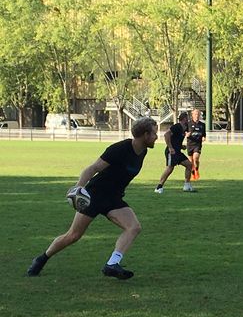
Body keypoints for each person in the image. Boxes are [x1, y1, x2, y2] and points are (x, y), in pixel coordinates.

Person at [27, 117, 159, 279]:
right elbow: (92, 168)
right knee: (73, 236)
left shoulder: (142, 151)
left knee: (134, 227)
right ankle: (42, 259)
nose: (156, 137)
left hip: (114, 199)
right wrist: (78, 188)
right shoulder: (119, 149)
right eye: (154, 133)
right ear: (145, 135)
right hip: (94, 196)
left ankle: (112, 264)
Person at [154, 112, 195, 193]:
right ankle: (159, 187)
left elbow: (175, 139)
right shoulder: (177, 126)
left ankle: (187, 185)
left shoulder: (184, 128)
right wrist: (170, 147)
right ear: (184, 119)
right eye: (188, 118)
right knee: (170, 168)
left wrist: (181, 146)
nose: (189, 119)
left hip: (177, 151)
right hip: (171, 151)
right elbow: (166, 135)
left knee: (189, 165)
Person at [187, 108, 206, 181]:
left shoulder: (202, 125)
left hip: (197, 144)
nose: (197, 116)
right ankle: (193, 174)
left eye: (198, 114)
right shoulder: (188, 124)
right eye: (195, 114)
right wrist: (186, 134)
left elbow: (204, 134)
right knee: (191, 161)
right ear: (192, 115)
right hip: (190, 144)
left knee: (196, 158)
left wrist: (204, 137)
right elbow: (184, 132)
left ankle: (196, 170)